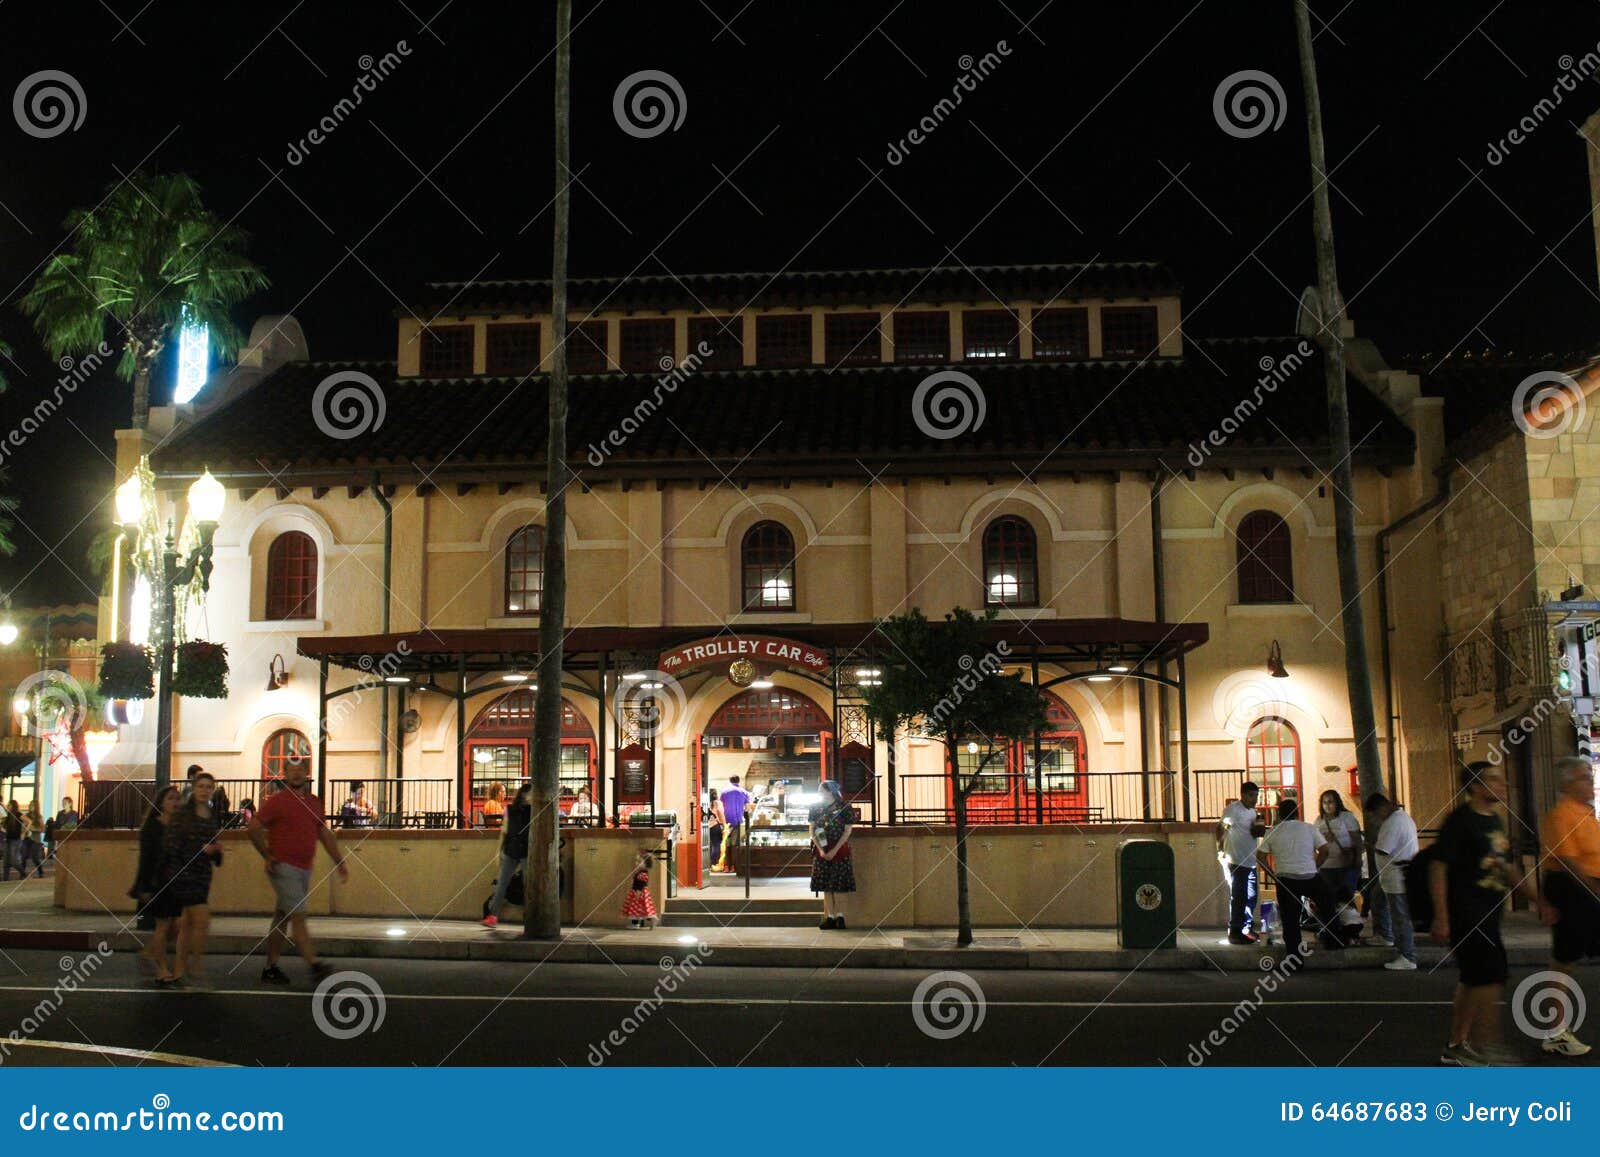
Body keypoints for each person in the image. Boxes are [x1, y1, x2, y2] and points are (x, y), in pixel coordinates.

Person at [1431, 761, 1539, 1066]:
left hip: (1489, 913)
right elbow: (1438, 868)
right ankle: (1486, 1046)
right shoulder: (1459, 821)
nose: (1502, 784)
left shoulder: (1494, 821)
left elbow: (1506, 867)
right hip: (1467, 913)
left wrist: (1537, 900)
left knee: (1472, 978)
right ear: (1477, 786)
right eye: (1494, 779)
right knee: (1491, 975)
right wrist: (1442, 916)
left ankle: (1456, 1045)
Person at [246, 755, 348, 985]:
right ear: (285, 774)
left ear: (306, 772)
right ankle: (314, 965)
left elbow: (323, 833)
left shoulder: (314, 802)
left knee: (282, 917)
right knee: (298, 916)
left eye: (300, 769)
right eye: (291, 770)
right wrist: (267, 855)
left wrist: (339, 861)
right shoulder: (277, 801)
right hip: (283, 867)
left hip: (304, 868)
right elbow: (252, 828)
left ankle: (270, 968)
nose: (296, 773)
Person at [1539, 755, 1600, 1058]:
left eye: (1590, 776)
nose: (1591, 782)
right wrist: (1595, 891)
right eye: (1584, 777)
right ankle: (1555, 1032)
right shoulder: (1561, 815)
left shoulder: (1586, 814)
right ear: (1567, 784)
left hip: (1588, 889)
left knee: (1567, 959)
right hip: (1575, 891)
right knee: (1563, 961)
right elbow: (1568, 861)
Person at [161, 772, 224, 988]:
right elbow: (172, 845)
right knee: (202, 920)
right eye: (201, 786)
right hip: (184, 875)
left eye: (208, 787)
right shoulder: (183, 814)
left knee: (187, 924)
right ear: (194, 788)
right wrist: (200, 850)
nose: (204, 790)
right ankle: (196, 967)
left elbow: (213, 844)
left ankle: (179, 971)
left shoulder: (212, 815)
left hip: (203, 875)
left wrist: (215, 850)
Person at [1255, 796, 1334, 958]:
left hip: (1286, 880)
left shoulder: (1273, 831)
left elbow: (1260, 857)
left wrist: (1272, 875)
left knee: (1290, 921)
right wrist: (1315, 866)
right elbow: (1325, 850)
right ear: (1297, 813)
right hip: (1310, 876)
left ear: (1280, 815)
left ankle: (1294, 958)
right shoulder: (1309, 828)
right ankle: (1334, 941)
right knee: (1328, 907)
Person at [130, 786, 182, 983]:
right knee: (163, 925)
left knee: (177, 925)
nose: (175, 802)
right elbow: (146, 859)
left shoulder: (178, 827)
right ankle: (162, 968)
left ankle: (149, 952)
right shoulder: (152, 827)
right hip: (158, 883)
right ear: (161, 803)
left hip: (175, 882)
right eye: (170, 798)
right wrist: (144, 887)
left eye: (177, 799)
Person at [1364, 792, 1420, 969]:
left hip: (1396, 876)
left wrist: (1370, 845)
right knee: (1377, 901)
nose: (1375, 819)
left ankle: (1408, 956)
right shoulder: (1401, 818)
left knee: (1399, 916)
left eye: (1374, 814)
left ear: (1381, 808)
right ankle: (1384, 935)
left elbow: (1383, 849)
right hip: (1390, 875)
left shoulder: (1394, 823)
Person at [1215, 780, 1265, 944]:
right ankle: (1235, 931)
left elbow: (1252, 832)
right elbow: (1220, 828)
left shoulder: (1253, 812)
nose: (1254, 799)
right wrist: (1220, 849)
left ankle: (1246, 928)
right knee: (1239, 897)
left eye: (1256, 795)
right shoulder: (1233, 810)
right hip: (1236, 860)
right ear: (1242, 795)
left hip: (1250, 860)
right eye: (1251, 795)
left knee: (1251, 896)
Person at [482, 783, 532, 928]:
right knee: (527, 884)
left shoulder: (509, 809)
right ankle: (529, 915)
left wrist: (500, 850)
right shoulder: (533, 810)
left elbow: (504, 831)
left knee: (503, 883)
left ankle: (493, 915)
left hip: (511, 848)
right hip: (524, 849)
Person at [810, 780, 856, 929]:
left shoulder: (845, 807)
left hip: (839, 848)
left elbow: (847, 830)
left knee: (839, 884)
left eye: (822, 790)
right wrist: (821, 849)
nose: (819, 793)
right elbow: (812, 829)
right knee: (826, 885)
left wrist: (835, 849)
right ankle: (830, 916)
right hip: (822, 848)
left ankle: (840, 916)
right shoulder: (815, 807)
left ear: (831, 791)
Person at [1315, 789, 1363, 911]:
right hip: (1326, 865)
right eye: (1324, 802)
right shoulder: (1319, 820)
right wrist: (1323, 838)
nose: (1327, 805)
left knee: (1346, 897)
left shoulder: (1346, 817)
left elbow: (1357, 839)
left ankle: (1350, 920)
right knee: (1329, 898)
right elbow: (1314, 841)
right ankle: (1334, 921)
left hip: (1345, 864)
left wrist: (1358, 858)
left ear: (1337, 802)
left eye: (1330, 802)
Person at [713, 775, 751, 873]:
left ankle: (726, 866)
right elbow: (748, 808)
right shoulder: (744, 792)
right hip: (737, 821)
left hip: (726, 822)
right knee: (734, 845)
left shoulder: (724, 791)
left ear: (729, 781)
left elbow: (720, 806)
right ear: (739, 781)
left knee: (726, 844)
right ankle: (733, 867)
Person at [622, 849, 657, 928]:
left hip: (639, 892)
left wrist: (638, 892)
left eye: (639, 862)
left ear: (646, 864)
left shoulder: (643, 874)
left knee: (638, 908)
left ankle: (645, 921)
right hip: (637, 891)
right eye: (637, 861)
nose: (637, 863)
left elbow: (641, 884)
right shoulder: (640, 872)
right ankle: (639, 922)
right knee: (639, 908)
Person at [704, 787, 725, 879]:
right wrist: (723, 824)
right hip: (715, 825)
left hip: (706, 826)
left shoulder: (706, 803)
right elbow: (720, 812)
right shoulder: (717, 803)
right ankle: (714, 864)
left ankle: (707, 865)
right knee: (716, 845)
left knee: (708, 846)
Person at [21, 802, 45, 878]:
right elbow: (23, 826)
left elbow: (43, 829)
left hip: (35, 839)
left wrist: (34, 829)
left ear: (36, 807)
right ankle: (22, 874)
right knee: (23, 855)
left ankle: (41, 871)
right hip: (27, 838)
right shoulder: (26, 815)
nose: (31, 807)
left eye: (33, 806)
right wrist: (24, 830)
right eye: (30, 805)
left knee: (35, 858)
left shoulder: (39, 817)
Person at [2, 801, 24, 881]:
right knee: (6, 862)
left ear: (13, 806)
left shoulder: (18, 814)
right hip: (8, 839)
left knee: (13, 861)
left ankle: (23, 873)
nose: (8, 806)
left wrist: (23, 833)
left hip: (16, 840)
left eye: (9, 805)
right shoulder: (8, 815)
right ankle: (5, 879)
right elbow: (5, 828)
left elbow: (29, 821)